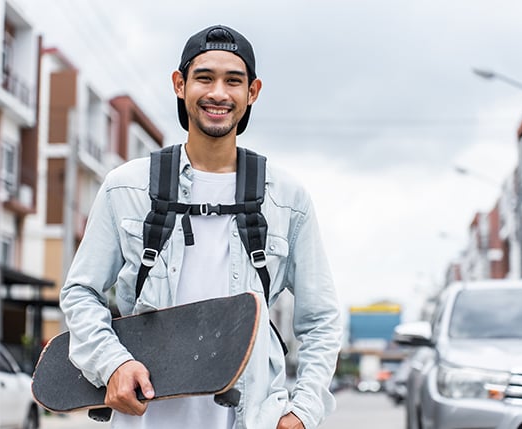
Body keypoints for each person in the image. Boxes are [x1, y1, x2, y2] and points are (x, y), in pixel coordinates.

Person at [60, 24, 342, 429]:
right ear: (180, 84)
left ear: (253, 92)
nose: (218, 94)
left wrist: (302, 411)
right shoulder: (126, 187)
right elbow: (80, 291)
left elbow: (321, 319)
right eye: (204, 78)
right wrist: (113, 363)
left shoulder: (286, 198)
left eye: (234, 81)